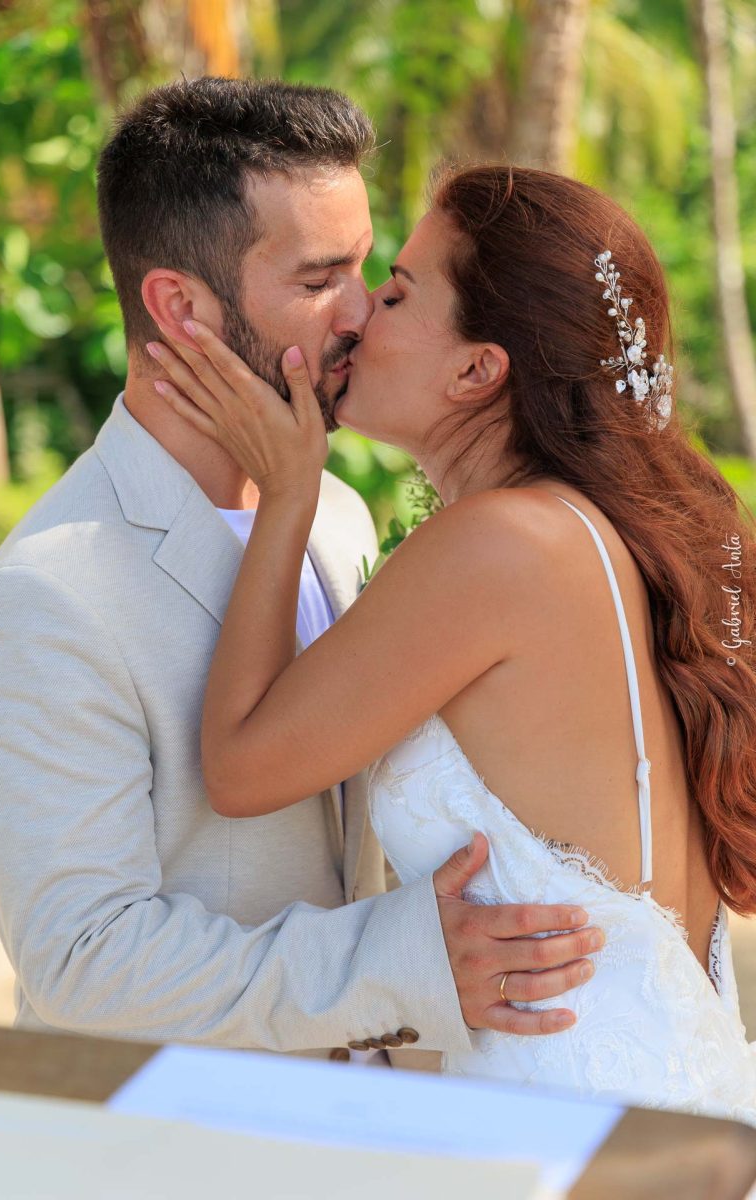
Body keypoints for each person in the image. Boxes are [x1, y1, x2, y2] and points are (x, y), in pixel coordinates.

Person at [0, 79, 600, 1064]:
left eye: (364, 266)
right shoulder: (48, 597)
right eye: (316, 279)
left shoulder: (336, 516)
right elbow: (81, 959)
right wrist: (402, 959)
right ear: (180, 306)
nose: (362, 312)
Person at [148, 161, 756, 1121]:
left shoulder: (498, 544)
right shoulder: (590, 534)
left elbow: (238, 767)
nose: (354, 318)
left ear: (478, 370)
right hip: (655, 1099)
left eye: (394, 292)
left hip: (564, 1133)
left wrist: (287, 496)